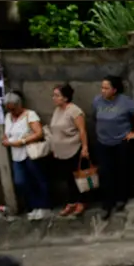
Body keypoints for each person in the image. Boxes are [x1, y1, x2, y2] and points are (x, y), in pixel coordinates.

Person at [91, 75, 134, 220]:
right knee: (105, 173)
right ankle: (107, 204)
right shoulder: (97, 101)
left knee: (121, 171)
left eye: (106, 88)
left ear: (114, 90)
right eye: (102, 87)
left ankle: (121, 199)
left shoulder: (124, 102)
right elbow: (94, 118)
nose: (103, 91)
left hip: (120, 142)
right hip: (103, 142)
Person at [0, 91, 51, 220]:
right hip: (16, 155)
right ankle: (34, 206)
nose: (11, 111)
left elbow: (39, 133)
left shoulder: (30, 115)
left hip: (30, 154)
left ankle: (44, 207)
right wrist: (6, 140)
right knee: (21, 182)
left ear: (19, 105)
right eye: (8, 109)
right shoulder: (8, 117)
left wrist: (22, 141)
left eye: (13, 108)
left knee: (39, 179)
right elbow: (8, 133)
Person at [48, 83, 89, 217]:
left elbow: (82, 130)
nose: (54, 98)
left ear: (65, 98)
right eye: (53, 95)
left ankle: (82, 202)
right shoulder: (57, 110)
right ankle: (71, 202)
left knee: (79, 177)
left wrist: (85, 147)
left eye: (57, 95)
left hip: (74, 147)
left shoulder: (75, 111)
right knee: (67, 178)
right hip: (61, 151)